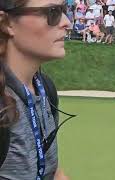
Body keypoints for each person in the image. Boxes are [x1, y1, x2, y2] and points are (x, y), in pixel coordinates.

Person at [0, 0, 70, 179]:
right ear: (7, 23)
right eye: (52, 12)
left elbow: (52, 171)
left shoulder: (46, 89)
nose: (66, 22)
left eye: (64, 10)